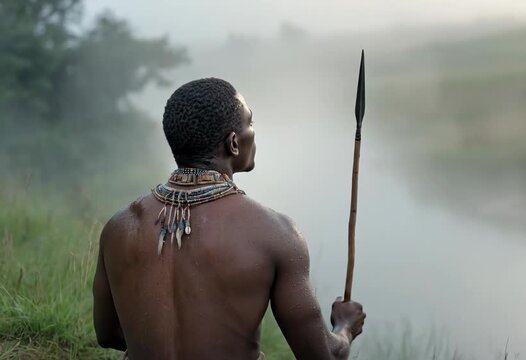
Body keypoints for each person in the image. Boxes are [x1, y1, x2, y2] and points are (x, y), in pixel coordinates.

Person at [92, 78, 366, 360]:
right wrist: (345, 327)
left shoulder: (120, 226)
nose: (254, 132)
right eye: (251, 122)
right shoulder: (275, 233)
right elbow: (323, 357)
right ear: (234, 143)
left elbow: (109, 334)